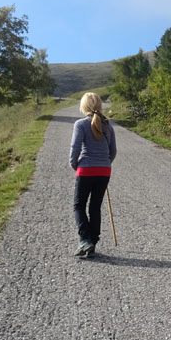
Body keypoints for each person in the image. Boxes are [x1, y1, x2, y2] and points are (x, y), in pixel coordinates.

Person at [69, 92, 117, 258]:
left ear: (84, 106)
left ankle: (84, 240)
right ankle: (93, 241)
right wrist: (105, 163)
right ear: (99, 105)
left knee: (78, 206)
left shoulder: (80, 124)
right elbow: (113, 151)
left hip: (86, 169)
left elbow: (75, 149)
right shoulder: (108, 125)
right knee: (95, 206)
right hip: (104, 171)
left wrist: (74, 164)